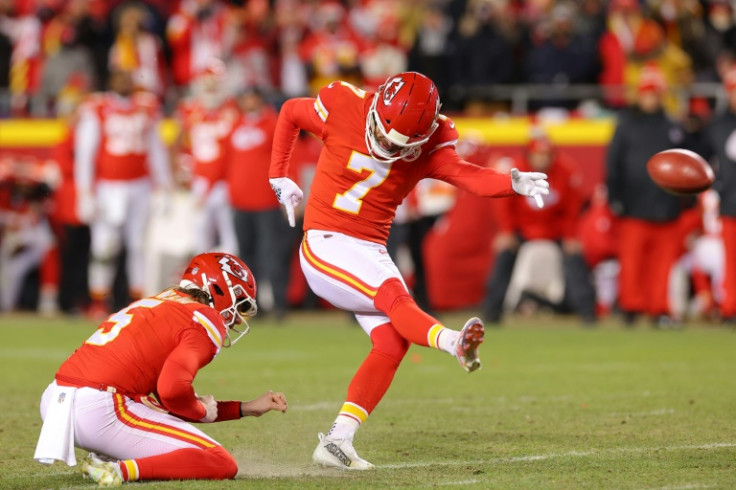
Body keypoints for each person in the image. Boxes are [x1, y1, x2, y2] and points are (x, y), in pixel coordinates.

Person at [268, 71, 549, 469]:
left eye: (397, 143)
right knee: (396, 298)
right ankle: (453, 342)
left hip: (370, 247)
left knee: (392, 343)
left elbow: (465, 174)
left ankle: (337, 441)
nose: (385, 145)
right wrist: (278, 173)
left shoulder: (435, 138)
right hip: (326, 243)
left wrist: (511, 183)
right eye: (382, 134)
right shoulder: (344, 103)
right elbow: (290, 112)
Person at [33, 252, 288, 485]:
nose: (238, 316)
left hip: (57, 400)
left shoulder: (161, 302)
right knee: (220, 461)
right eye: (240, 303)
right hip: (99, 406)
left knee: (146, 403)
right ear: (219, 288)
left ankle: (107, 455)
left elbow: (167, 403)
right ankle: (118, 470)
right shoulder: (204, 317)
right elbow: (173, 391)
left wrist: (244, 408)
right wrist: (202, 410)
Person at [74, 69, 172, 317]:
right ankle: (98, 298)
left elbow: (157, 149)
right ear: (110, 80)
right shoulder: (98, 107)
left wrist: (164, 186)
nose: (124, 80)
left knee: (138, 244)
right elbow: (85, 153)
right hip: (108, 187)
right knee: (104, 245)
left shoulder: (146, 106)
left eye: (128, 76)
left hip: (139, 186)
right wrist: (84, 192)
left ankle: (136, 299)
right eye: (119, 76)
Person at [482, 130, 597, 325]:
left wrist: (570, 235)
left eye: (546, 155)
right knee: (504, 255)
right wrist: (507, 231)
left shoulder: (566, 171)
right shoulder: (515, 170)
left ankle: (587, 312)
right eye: (538, 155)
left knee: (575, 257)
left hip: (555, 229)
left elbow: (572, 207)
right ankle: (491, 311)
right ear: (529, 154)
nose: (542, 159)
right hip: (522, 229)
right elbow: (503, 205)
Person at [606, 65, 690, 326]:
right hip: (633, 204)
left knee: (662, 263)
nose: (650, 98)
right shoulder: (626, 124)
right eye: (646, 93)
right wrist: (615, 196)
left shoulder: (673, 126)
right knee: (631, 261)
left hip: (666, 205)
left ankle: (659, 309)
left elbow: (685, 164)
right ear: (639, 95)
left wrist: (685, 199)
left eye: (654, 93)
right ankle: (631, 307)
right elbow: (613, 163)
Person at [173, 59, 239, 255]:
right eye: (207, 82)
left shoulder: (233, 110)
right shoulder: (188, 109)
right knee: (199, 237)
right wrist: (182, 170)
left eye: (215, 83)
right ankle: (199, 283)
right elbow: (178, 144)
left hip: (227, 181)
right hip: (200, 180)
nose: (210, 87)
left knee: (231, 238)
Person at [703, 65, 736, 323]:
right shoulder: (717, 125)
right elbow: (704, 162)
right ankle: (730, 309)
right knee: (731, 263)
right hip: (731, 202)